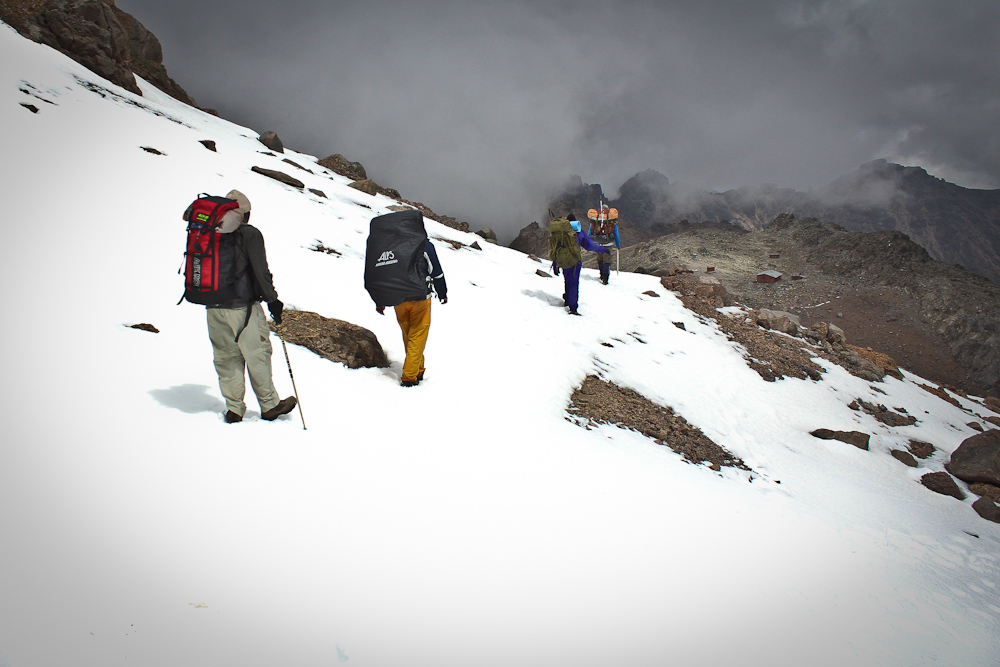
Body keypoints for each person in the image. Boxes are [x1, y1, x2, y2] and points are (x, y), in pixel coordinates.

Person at [203, 189, 297, 423]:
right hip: (243, 307)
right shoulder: (249, 234)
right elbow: (260, 271)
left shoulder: (206, 232)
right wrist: (273, 299)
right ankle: (269, 405)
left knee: (226, 357)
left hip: (213, 307)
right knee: (257, 354)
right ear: (245, 214)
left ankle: (234, 409)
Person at [375, 239, 448, 387]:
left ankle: (418, 369)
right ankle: (409, 377)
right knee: (417, 336)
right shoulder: (425, 245)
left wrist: (380, 299)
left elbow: (383, 273)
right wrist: (442, 292)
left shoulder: (391, 244)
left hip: (399, 299)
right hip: (420, 298)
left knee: (409, 334)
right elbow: (437, 272)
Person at [551, 214, 608, 315]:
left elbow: (555, 249)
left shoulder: (560, 234)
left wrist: (555, 263)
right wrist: (604, 250)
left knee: (567, 280)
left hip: (563, 261)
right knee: (574, 283)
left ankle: (567, 300)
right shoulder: (578, 233)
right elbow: (590, 246)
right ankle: (573, 308)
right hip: (575, 262)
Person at [588, 207, 621, 285]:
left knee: (600, 259)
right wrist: (618, 244)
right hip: (608, 244)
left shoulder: (595, 221)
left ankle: (601, 275)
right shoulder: (611, 221)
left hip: (598, 243)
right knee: (607, 260)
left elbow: (590, 232)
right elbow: (616, 234)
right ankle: (605, 279)